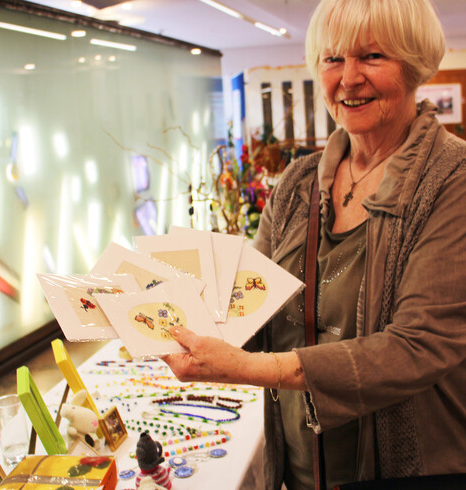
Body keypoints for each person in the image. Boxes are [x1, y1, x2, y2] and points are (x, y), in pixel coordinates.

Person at [162, 0, 466, 488]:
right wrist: (174, 313)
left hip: (409, 468)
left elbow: (418, 348)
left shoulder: (452, 179)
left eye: (371, 57)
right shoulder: (300, 180)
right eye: (332, 59)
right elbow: (252, 302)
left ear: (413, 64)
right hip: (302, 467)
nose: (347, 78)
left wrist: (253, 368)